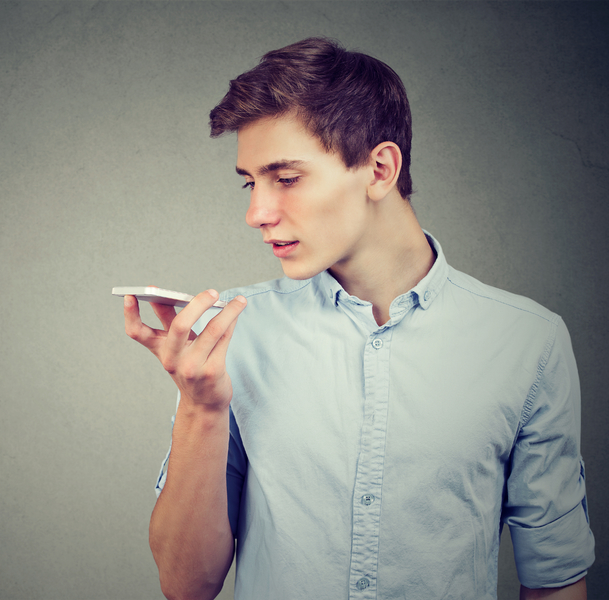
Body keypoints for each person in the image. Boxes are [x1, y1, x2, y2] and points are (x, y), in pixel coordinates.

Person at [123, 38, 594, 600]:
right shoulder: (232, 334)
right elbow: (184, 586)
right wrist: (201, 409)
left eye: (286, 178)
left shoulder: (528, 344)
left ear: (379, 168)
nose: (256, 213)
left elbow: (555, 579)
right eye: (251, 182)